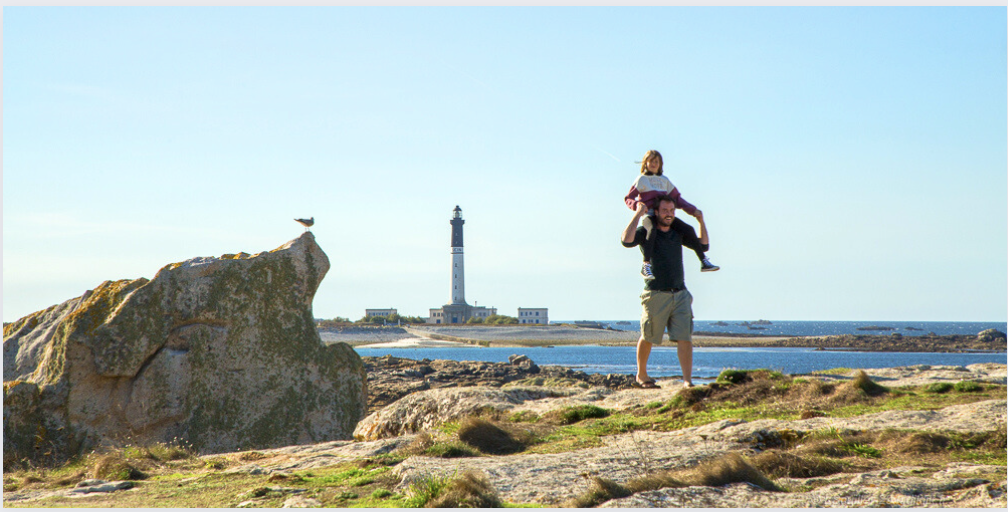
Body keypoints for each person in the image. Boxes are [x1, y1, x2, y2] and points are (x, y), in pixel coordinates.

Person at [621, 194, 710, 388]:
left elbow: (703, 244)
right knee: (648, 336)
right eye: (664, 211)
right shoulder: (646, 231)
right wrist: (638, 214)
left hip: (680, 293)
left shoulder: (677, 232)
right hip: (655, 293)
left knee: (685, 337)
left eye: (672, 211)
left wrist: (701, 221)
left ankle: (687, 381)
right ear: (656, 211)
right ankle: (642, 375)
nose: (668, 214)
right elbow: (626, 241)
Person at [624, 149, 719, 279]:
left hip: (663, 216)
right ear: (645, 163)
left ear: (660, 164)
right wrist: (637, 206)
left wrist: (692, 210)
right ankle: (646, 265)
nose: (654, 164)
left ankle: (703, 261)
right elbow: (628, 198)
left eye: (656, 161)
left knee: (688, 229)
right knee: (651, 231)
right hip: (650, 215)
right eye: (651, 161)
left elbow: (677, 199)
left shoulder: (665, 181)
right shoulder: (642, 180)